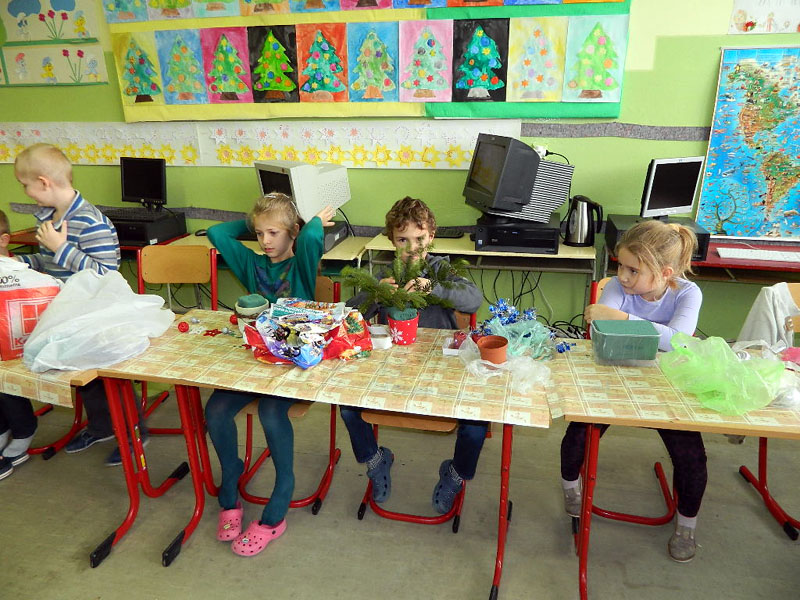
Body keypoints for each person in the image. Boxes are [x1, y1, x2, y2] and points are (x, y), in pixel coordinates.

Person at [560, 219, 705, 562]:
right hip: (615, 374)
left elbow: (678, 341)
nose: (622, 277)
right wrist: (644, 332)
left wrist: (623, 321)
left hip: (665, 383)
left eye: (633, 270)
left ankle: (687, 525)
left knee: (691, 455)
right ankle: (570, 488)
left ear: (665, 273)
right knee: (579, 432)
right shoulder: (618, 286)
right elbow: (600, 329)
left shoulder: (688, 293)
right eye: (620, 266)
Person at [205, 193, 334, 557]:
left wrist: (309, 223)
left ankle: (281, 496)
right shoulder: (252, 264)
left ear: (291, 232)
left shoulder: (301, 266)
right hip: (257, 362)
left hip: (294, 364)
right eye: (259, 233)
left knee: (270, 412)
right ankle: (231, 479)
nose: (265, 241)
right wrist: (257, 221)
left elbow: (312, 237)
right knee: (215, 410)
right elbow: (216, 233)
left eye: (273, 233)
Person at [340, 197, 484, 514]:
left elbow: (473, 299)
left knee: (477, 423)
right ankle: (376, 460)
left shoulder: (441, 269)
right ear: (392, 240)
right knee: (347, 406)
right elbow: (350, 314)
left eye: (419, 239)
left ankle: (455, 475)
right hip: (391, 368)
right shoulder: (386, 273)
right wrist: (377, 293)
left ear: (431, 236)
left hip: (438, 367)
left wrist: (433, 287)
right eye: (403, 240)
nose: (412, 248)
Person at [2, 144, 122, 478]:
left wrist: (61, 247)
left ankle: (132, 434)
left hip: (95, 316)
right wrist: (19, 262)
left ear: (43, 182)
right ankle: (101, 427)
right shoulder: (48, 217)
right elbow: (48, 264)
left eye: (25, 185)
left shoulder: (91, 222)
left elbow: (107, 275)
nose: (25, 192)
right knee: (82, 380)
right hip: (65, 314)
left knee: (106, 381)